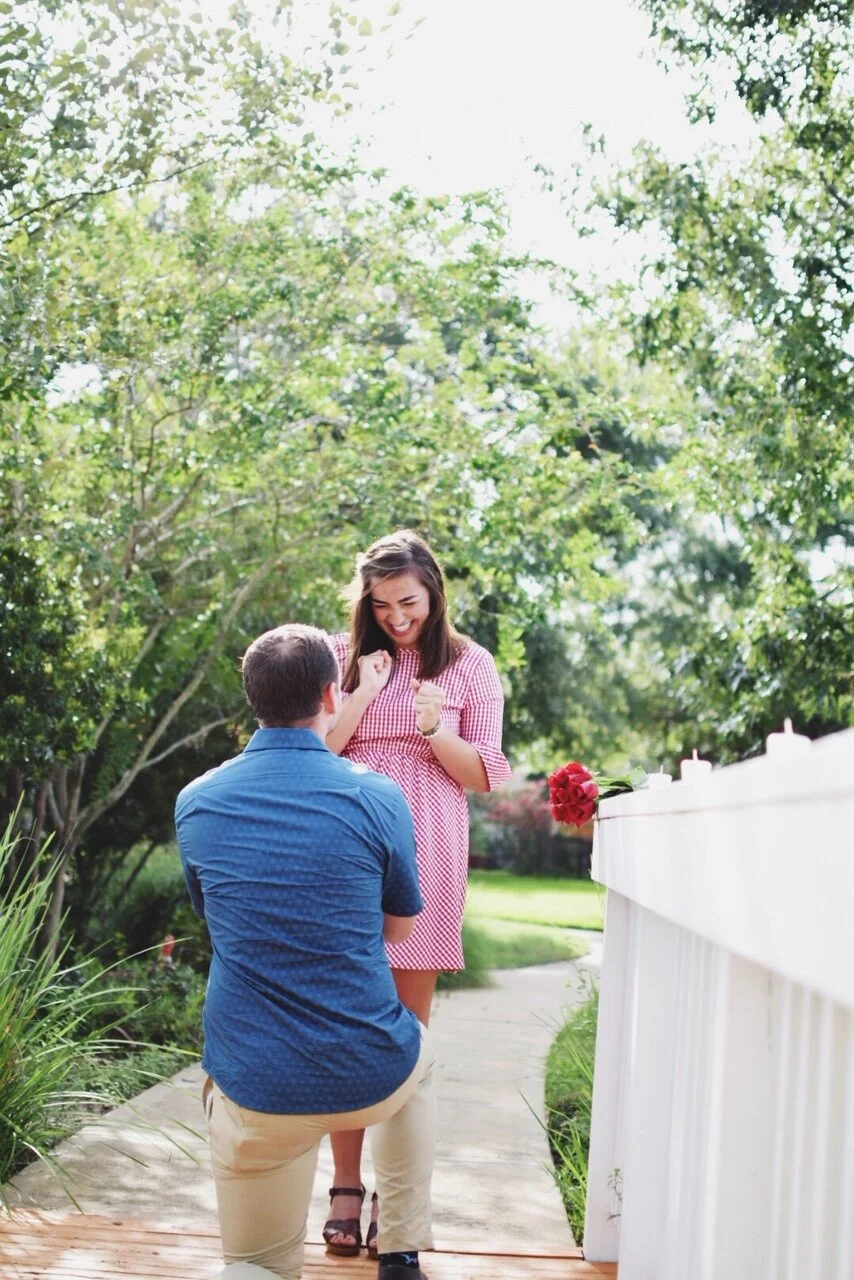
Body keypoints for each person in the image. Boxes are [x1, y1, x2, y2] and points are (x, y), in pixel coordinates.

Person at [175, 624, 435, 1280]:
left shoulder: (196, 803)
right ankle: (400, 1244)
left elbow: (218, 921)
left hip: (254, 1088)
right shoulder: (377, 795)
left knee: (255, 1266)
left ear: (252, 699)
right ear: (330, 691)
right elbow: (400, 933)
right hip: (369, 1072)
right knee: (419, 1058)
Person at [323, 530, 511, 1258]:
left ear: (433, 591)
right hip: (349, 845)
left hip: (428, 844)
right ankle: (344, 1185)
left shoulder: (469, 664)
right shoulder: (347, 661)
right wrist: (367, 690)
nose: (397, 616)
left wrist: (433, 727)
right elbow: (320, 748)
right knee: (345, 1022)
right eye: (382, 604)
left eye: (408, 601)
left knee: (405, 1035)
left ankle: (396, 1209)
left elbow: (485, 774)